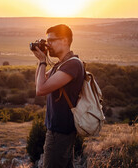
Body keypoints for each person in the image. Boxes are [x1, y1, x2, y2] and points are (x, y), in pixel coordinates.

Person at [32, 24, 85, 168]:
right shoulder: (61, 64)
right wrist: (40, 59)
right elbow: (38, 83)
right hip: (60, 131)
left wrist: (43, 61)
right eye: (47, 41)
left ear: (65, 41)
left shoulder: (72, 65)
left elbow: (41, 90)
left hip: (60, 132)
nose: (48, 45)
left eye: (51, 41)